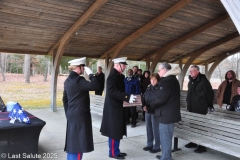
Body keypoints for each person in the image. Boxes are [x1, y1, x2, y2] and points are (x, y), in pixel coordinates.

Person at [62, 57, 100, 160]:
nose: (84, 69)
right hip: (80, 116)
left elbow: (65, 99)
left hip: (72, 114)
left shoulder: (67, 81)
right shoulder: (79, 80)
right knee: (79, 144)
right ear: (79, 68)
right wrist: (91, 75)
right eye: (83, 67)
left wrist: (68, 112)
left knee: (72, 142)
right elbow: (96, 86)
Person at [100, 57, 137, 159]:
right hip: (113, 108)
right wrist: (127, 97)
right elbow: (112, 91)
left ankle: (116, 150)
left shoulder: (119, 76)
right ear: (117, 65)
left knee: (117, 130)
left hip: (118, 107)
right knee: (113, 131)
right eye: (123, 65)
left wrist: (128, 97)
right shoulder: (113, 76)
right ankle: (112, 152)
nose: (125, 67)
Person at [146, 62, 181, 160]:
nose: (158, 72)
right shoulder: (169, 80)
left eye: (159, 70)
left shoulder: (167, 81)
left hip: (167, 114)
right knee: (165, 137)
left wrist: (150, 106)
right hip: (166, 114)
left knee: (165, 137)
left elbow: (160, 98)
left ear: (165, 70)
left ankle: (166, 157)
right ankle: (165, 155)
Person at [185, 65, 214, 153]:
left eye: (192, 71)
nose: (190, 73)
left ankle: (202, 146)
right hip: (191, 107)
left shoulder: (203, 81)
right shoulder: (191, 81)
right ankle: (193, 142)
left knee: (200, 127)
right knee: (193, 125)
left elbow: (210, 94)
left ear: (197, 72)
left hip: (200, 108)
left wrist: (209, 105)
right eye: (190, 71)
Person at [142, 73, 161, 154]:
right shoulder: (149, 87)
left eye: (154, 80)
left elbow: (158, 100)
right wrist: (143, 105)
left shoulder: (159, 88)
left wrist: (150, 107)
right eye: (151, 79)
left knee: (155, 129)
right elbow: (144, 97)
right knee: (148, 128)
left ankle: (157, 146)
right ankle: (149, 144)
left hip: (155, 111)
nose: (152, 81)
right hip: (147, 111)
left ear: (158, 80)